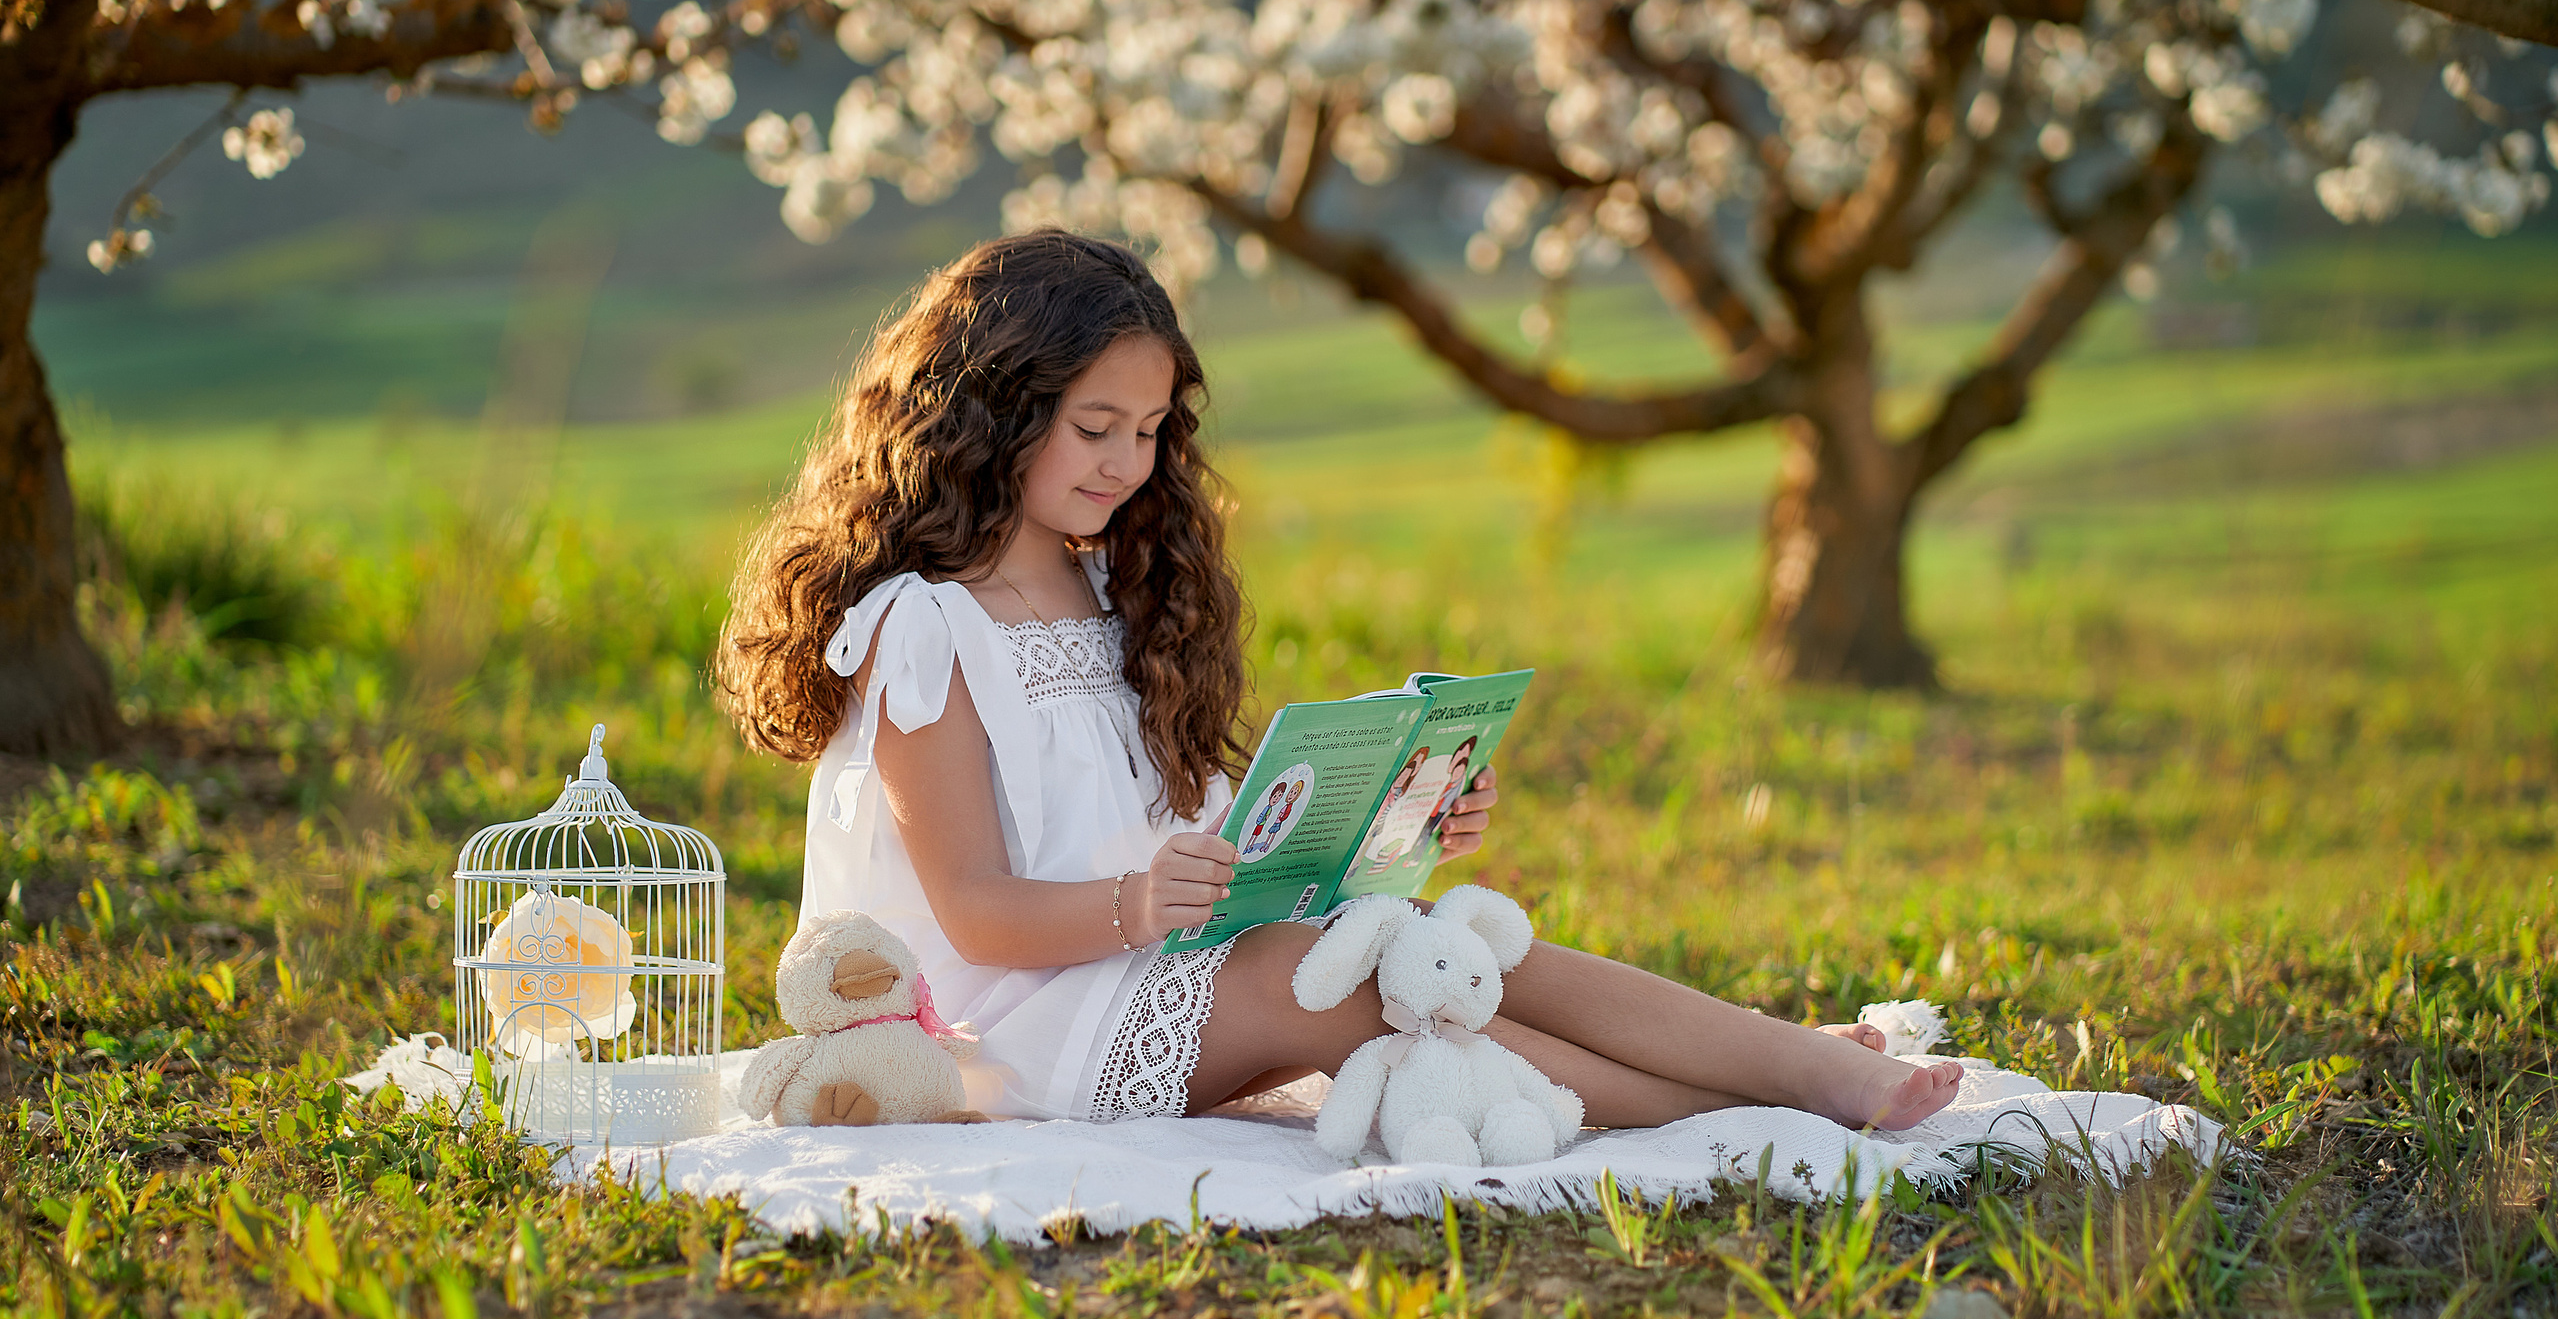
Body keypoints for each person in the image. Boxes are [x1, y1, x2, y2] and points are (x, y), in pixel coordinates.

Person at [717, 230, 1961, 1130]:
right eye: (1094, 428)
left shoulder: (1106, 595)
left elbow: (1222, 821)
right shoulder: (922, 630)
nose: (1127, 465)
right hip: (1015, 1025)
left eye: (1150, 435)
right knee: (1341, 985)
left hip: (1147, 961)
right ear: (985, 414)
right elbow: (977, 910)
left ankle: (1781, 1067)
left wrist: (1394, 820)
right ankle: (1767, 1093)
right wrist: (1140, 906)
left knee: (1431, 936)